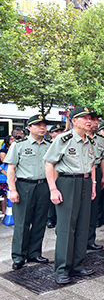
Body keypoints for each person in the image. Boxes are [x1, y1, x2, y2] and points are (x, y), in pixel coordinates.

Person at [44, 108, 97, 285]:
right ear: (74, 121)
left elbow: (92, 165)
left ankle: (78, 265)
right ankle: (62, 269)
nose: (89, 121)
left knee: (83, 225)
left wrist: (93, 185)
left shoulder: (89, 141)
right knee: (67, 228)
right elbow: (49, 164)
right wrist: (53, 189)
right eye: (84, 118)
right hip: (68, 183)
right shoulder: (63, 139)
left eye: (90, 118)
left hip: (85, 182)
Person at [4, 115, 51, 270]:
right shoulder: (19, 145)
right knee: (22, 222)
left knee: (39, 221)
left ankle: (34, 253)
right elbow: (11, 168)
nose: (42, 127)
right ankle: (19, 256)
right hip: (25, 186)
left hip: (43, 186)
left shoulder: (49, 145)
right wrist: (12, 190)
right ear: (29, 128)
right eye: (38, 125)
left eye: (44, 125)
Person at [86, 111, 104, 251]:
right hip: (81, 173)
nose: (96, 122)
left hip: (97, 172)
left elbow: (103, 159)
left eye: (97, 120)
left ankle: (90, 240)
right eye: (93, 120)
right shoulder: (78, 137)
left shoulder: (100, 139)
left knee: (93, 208)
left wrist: (103, 176)